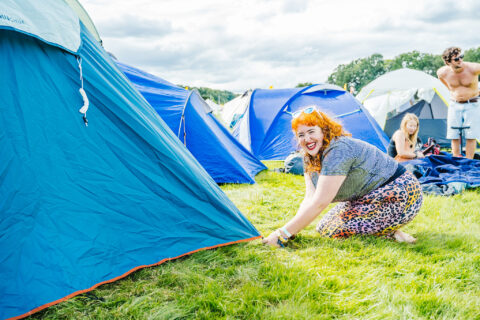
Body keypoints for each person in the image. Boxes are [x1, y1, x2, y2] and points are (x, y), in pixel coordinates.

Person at [262, 106, 423, 247]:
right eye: (301, 134)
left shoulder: (338, 149)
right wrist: (291, 231)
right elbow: (310, 197)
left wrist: (281, 234)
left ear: (324, 131)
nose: (307, 139)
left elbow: (320, 202)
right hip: (368, 196)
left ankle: (390, 232)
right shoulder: (308, 156)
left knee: (335, 231)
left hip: (402, 192)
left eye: (311, 132)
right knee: (324, 227)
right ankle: (387, 229)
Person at [437, 47, 480, 159]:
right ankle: (456, 159)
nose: (460, 60)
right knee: (453, 134)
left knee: (471, 135)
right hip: (454, 104)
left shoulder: (473, 68)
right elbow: (441, 79)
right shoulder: (442, 72)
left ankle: (469, 161)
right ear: (448, 62)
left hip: (472, 103)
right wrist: (453, 91)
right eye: (456, 59)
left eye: (461, 57)